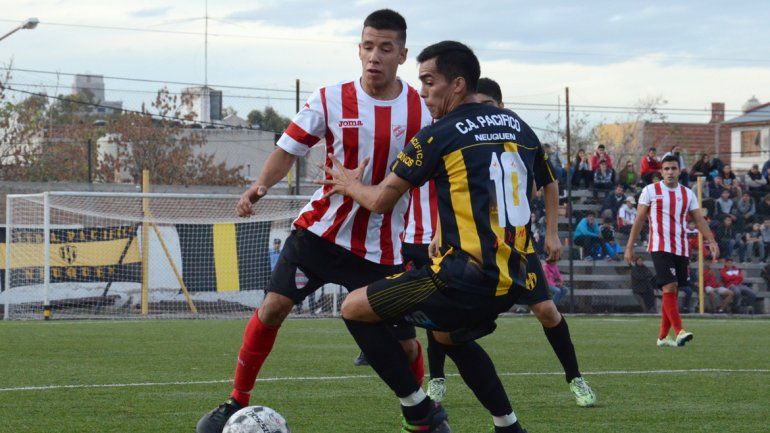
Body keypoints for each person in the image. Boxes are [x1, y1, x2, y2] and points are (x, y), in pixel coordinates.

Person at [195, 10, 431, 433]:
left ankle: (420, 414)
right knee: (272, 308)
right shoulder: (330, 98)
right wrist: (259, 188)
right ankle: (235, 402)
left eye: (385, 48)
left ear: (402, 54)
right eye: (367, 46)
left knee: (403, 341)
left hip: (382, 248)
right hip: (321, 233)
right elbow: (289, 149)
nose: (374, 56)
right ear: (358, 48)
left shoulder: (420, 111)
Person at [322, 40, 557, 433]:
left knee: (353, 307)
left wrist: (347, 184)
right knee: (449, 336)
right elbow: (540, 183)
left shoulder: (440, 134)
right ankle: (508, 425)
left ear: (458, 84)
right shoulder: (519, 125)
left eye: (429, 82)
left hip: (463, 279)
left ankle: (419, 411)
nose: (423, 92)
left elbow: (380, 200)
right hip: (514, 278)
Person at [422, 77, 595, 408]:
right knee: (441, 311)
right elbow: (454, 193)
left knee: (546, 310)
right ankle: (438, 379)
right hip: (470, 247)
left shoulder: (518, 130)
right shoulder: (466, 135)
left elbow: (549, 182)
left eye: (486, 106)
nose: (479, 113)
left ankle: (575, 378)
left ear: (499, 106)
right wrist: (440, 233)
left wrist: (552, 232)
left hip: (517, 247)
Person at [624, 155, 719, 347]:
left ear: (679, 171)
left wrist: (711, 240)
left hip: (681, 247)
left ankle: (661, 337)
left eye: (673, 168)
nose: (669, 172)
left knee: (673, 292)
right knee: (669, 287)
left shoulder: (687, 193)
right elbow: (639, 220)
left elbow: (699, 220)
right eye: (666, 169)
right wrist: (629, 247)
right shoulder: (650, 191)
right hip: (659, 246)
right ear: (661, 171)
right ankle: (679, 331)